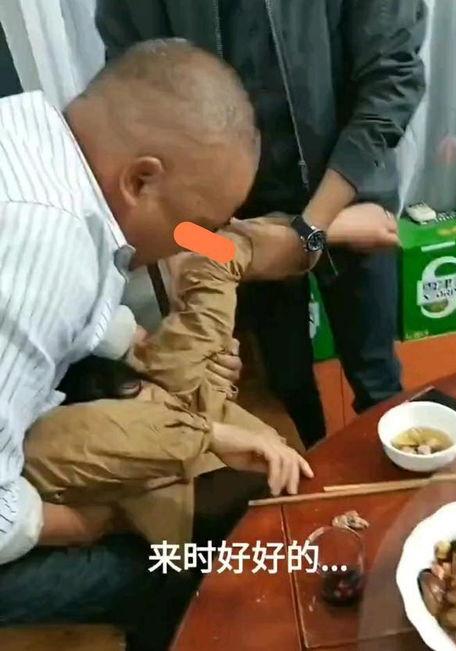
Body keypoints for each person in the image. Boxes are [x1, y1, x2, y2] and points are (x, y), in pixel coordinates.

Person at [0, 39, 307, 650]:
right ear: (140, 178)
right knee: (178, 572)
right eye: (193, 225)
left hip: (161, 361)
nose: (188, 242)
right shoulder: (45, 248)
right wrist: (88, 524)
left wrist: (134, 346)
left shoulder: (29, 133)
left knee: (202, 376)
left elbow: (225, 254)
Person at [97, 0, 427, 446]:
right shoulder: (159, 215)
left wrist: (314, 226)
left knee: (378, 380)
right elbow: (186, 234)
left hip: (350, 190)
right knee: (284, 387)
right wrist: (320, 231)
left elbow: (393, 81)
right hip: (241, 227)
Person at [24, 216, 315, 546]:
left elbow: (224, 251)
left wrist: (312, 237)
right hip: (91, 411)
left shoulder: (173, 230)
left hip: (149, 367)